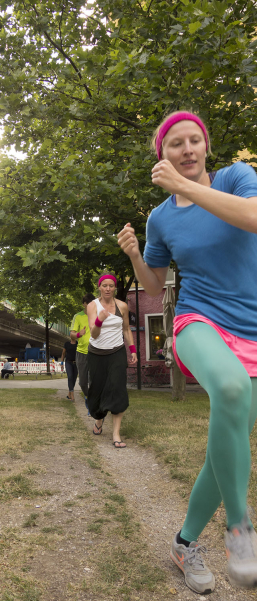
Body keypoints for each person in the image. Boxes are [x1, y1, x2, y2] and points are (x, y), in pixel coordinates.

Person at [117, 110, 257, 594]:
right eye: (176, 143)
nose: (188, 149)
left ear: (207, 146)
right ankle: (240, 530)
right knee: (233, 390)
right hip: (197, 320)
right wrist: (136, 254)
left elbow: (254, 218)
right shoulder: (160, 218)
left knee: (229, 448)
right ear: (163, 154)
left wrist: (188, 188)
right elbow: (154, 285)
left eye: (195, 140)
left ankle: (183, 544)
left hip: (252, 328)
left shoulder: (238, 177)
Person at [87, 274, 137, 448]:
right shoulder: (93, 306)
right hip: (96, 354)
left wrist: (132, 350)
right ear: (99, 287)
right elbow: (93, 333)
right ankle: (99, 420)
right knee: (97, 390)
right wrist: (100, 320)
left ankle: (116, 434)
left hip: (116, 352)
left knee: (117, 389)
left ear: (115, 288)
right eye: (104, 285)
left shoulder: (122, 306)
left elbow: (126, 329)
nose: (108, 288)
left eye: (111, 285)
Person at [70, 293, 96, 411]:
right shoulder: (78, 316)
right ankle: (87, 396)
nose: (89, 307)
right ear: (83, 305)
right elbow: (72, 335)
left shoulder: (97, 315)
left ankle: (93, 403)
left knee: (93, 381)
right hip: (81, 353)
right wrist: (79, 334)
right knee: (83, 383)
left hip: (95, 352)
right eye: (87, 305)